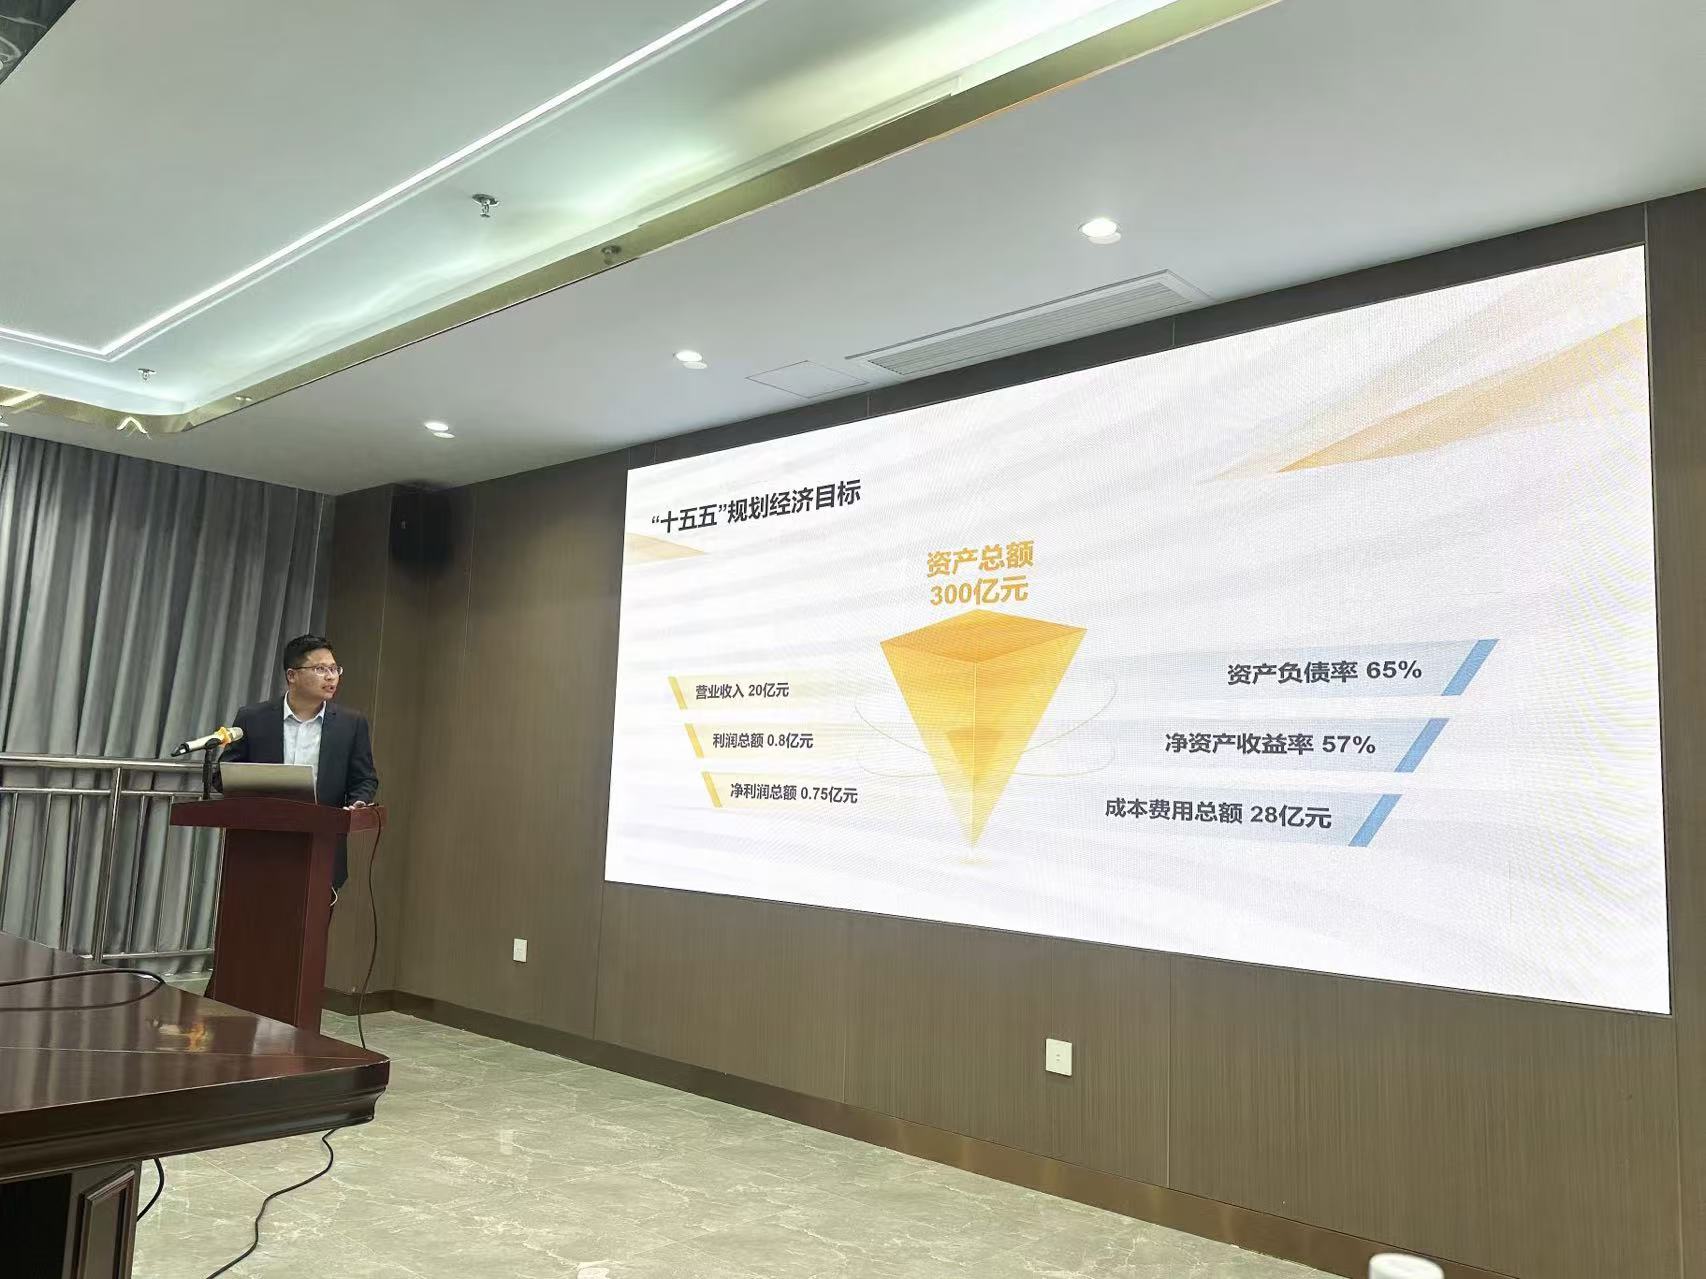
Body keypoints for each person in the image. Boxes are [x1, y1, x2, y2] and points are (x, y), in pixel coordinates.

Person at [219, 634, 379, 894]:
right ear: (292, 675)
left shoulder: (351, 724)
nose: (331, 677)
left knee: (312, 919)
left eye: (334, 669)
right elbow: (224, 774)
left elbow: (364, 778)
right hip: (258, 847)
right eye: (320, 669)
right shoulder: (253, 718)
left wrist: (359, 801)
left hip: (322, 846)